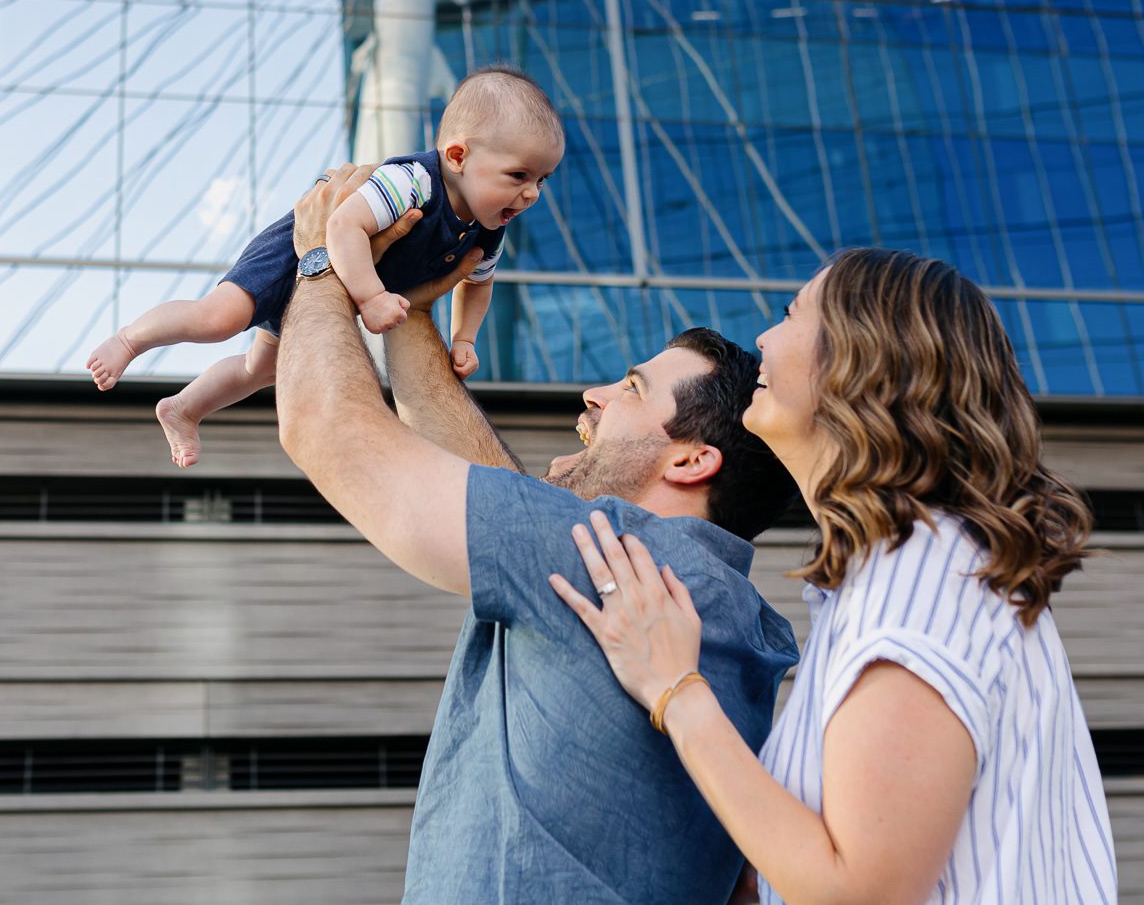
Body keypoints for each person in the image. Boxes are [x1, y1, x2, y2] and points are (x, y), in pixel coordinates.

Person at [275, 164, 801, 904]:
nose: (595, 393)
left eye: (632, 389)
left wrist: (321, 258)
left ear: (690, 460)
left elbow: (323, 427)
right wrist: (412, 312)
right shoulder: (723, 612)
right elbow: (498, 492)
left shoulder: (616, 557)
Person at [552, 247, 1116, 904]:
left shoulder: (920, 578)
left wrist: (676, 688)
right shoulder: (901, 573)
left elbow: (858, 892)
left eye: (793, 314)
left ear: (861, 360)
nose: (765, 338)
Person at [85, 66, 564, 467]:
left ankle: (184, 408)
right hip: (295, 254)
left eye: (542, 180)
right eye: (518, 175)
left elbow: (478, 283)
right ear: (458, 156)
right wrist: (372, 297)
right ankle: (129, 339)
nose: (531, 194)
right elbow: (342, 226)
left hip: (329, 289)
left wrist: (465, 339)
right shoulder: (413, 182)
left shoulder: (488, 227)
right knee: (219, 319)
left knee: (261, 369)